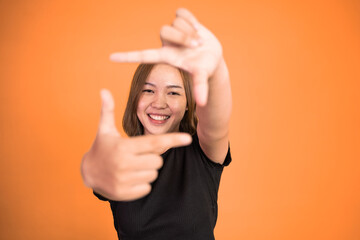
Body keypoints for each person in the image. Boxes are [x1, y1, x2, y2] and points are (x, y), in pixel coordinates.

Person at [81, 8, 232, 240]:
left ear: (189, 104)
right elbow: (101, 177)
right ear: (135, 98)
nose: (159, 103)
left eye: (173, 93)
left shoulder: (203, 152)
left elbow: (216, 124)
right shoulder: (122, 156)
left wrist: (217, 69)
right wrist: (89, 169)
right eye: (148, 90)